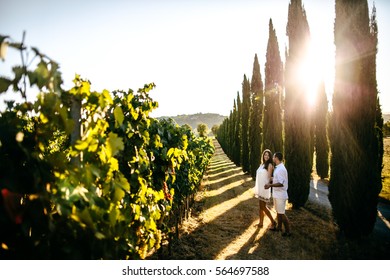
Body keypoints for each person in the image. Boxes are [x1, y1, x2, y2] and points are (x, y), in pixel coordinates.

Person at [265, 152, 291, 237]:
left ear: (276, 158)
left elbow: (281, 183)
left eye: (273, 157)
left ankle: (288, 231)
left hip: (281, 195)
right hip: (276, 194)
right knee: (278, 212)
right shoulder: (278, 168)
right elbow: (277, 179)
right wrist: (269, 178)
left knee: (282, 213)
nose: (272, 158)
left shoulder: (281, 169)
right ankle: (279, 227)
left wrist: (270, 185)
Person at [253, 149, 277, 229]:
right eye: (265, 155)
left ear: (270, 157)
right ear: (263, 155)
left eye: (268, 155)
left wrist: (275, 180)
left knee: (263, 207)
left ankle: (273, 222)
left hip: (264, 188)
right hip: (260, 187)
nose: (266, 156)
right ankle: (261, 223)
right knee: (260, 207)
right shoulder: (262, 164)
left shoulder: (269, 165)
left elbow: (270, 177)